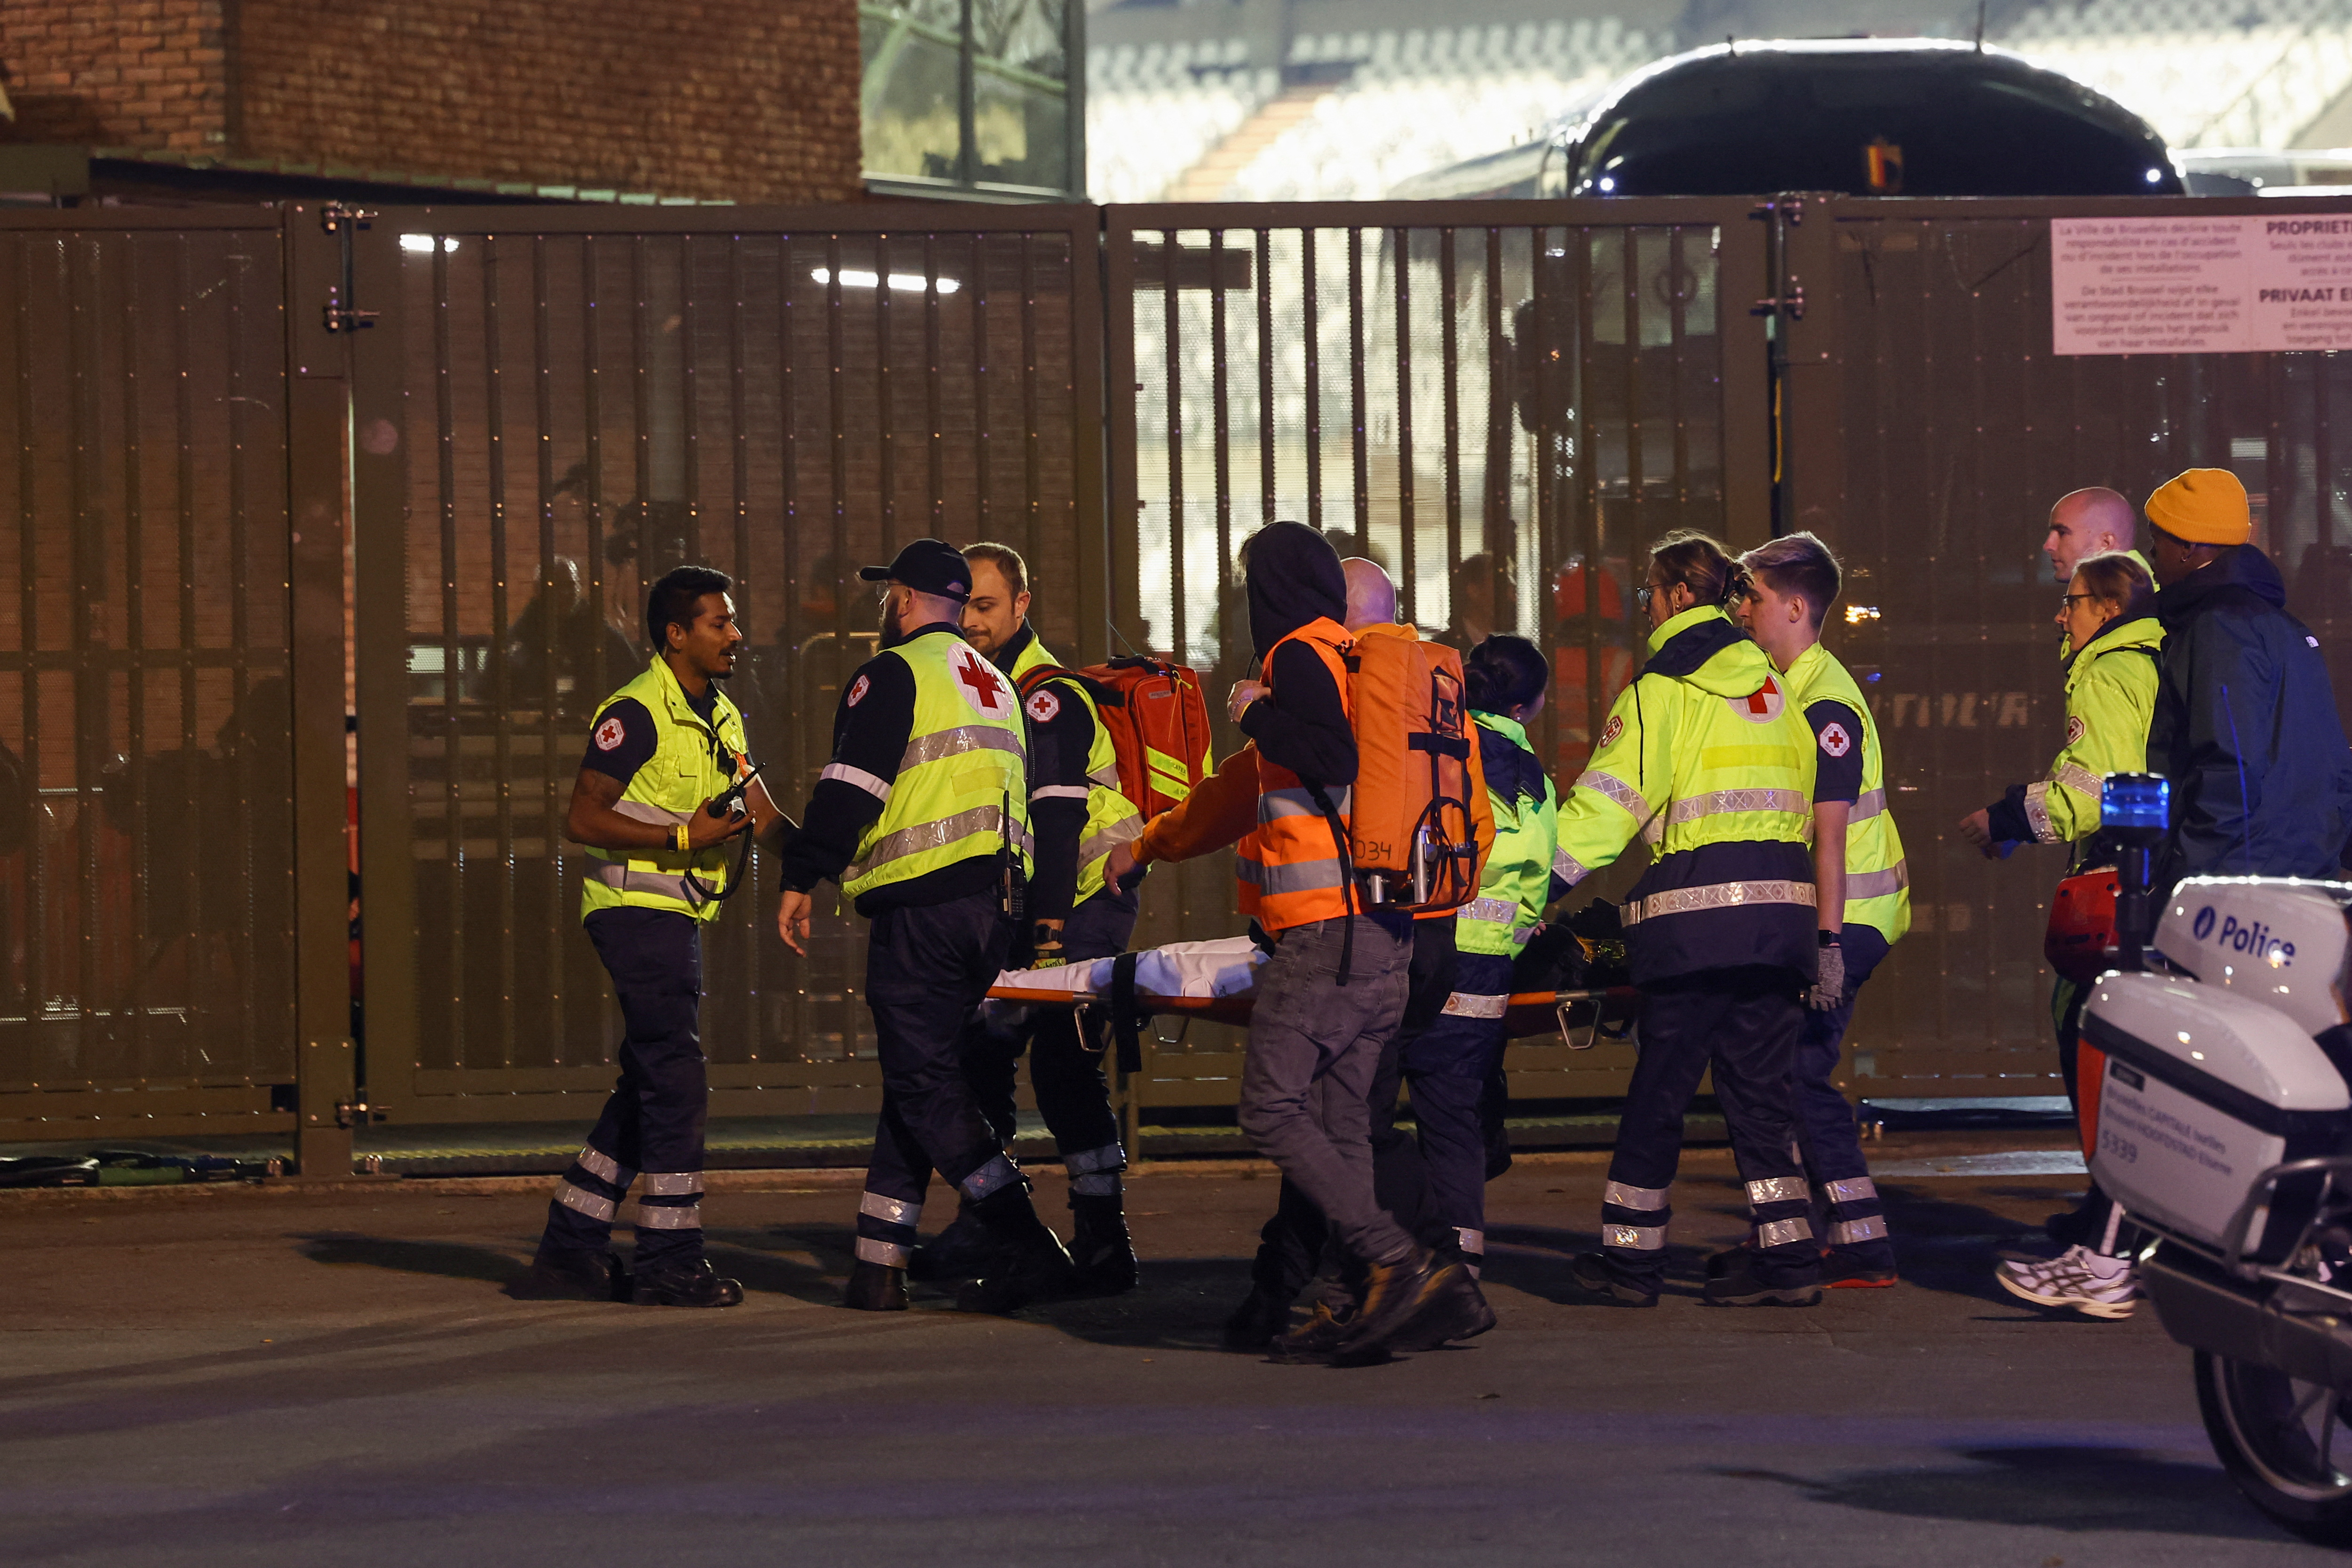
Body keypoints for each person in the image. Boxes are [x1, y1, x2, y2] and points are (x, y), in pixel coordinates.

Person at [1124, 522, 1484, 1361]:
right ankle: (1372, 1294)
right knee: (1344, 1122)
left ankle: (1402, 1262)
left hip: (1327, 933)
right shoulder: (1376, 667)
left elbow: (1330, 755)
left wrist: (1257, 711)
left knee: (1271, 1106)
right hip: (1389, 928)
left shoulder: (1296, 656)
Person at [775, 538, 1073, 1315]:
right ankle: (879, 1266)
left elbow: (853, 788)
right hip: (994, 910)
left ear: (903, 600)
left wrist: (802, 873)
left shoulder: (895, 673)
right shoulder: (997, 687)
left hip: (925, 912)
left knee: (921, 1080)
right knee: (920, 1083)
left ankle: (1025, 1238)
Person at [1557, 530, 1823, 1309]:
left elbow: (1608, 809)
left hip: (1695, 921)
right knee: (1761, 1096)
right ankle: (1793, 1259)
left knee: (1661, 1092)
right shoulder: (1777, 693)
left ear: (1675, 596)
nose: (1645, 610)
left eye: (1647, 594)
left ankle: (1632, 1263)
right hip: (1782, 924)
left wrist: (1535, 888)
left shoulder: (1661, 688)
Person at [512, 565, 783, 1309]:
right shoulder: (633, 712)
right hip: (635, 907)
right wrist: (683, 835)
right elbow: (583, 817)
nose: (735, 635)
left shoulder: (723, 715)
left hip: (683, 912)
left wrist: (837, 858)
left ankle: (569, 1246)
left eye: (732, 622)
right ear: (676, 634)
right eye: (719, 623)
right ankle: (668, 1257)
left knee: (650, 1080)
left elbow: (761, 813)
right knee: (677, 1076)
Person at [913, 541, 1144, 1295]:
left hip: (1078, 899)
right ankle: (991, 1225)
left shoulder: (1044, 693)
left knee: (1063, 1060)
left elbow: (1055, 825)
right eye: (965, 606)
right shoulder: (984, 686)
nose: (973, 621)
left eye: (987, 606)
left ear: (1021, 606)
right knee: (980, 1055)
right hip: (1028, 907)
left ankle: (1104, 1238)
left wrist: (1047, 940)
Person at [1959, 550, 2161, 1318]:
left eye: (2071, 601)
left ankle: (2105, 1257)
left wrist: (2010, 816)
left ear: (2106, 609)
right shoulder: (2160, 659)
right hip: (2155, 886)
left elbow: (2090, 791)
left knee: (2096, 1054)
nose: (2059, 614)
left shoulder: (2107, 670)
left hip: (2118, 892)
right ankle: (2111, 1233)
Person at [1738, 532, 1909, 1289]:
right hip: (1846, 914)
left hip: (1852, 915)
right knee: (1789, 1070)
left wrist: (1828, 944)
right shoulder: (1798, 688)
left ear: (1797, 608)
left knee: (1793, 1072)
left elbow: (1830, 838)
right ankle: (1840, 1236)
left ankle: (1857, 1243)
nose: (1743, 611)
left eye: (1755, 598)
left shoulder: (1824, 701)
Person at [1400, 634, 1564, 1285]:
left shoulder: (1439, 749)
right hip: (1488, 969)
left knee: (1366, 1107)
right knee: (1455, 1115)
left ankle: (1376, 1250)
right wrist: (1511, 937)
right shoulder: (1536, 781)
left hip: (1421, 950)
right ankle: (1461, 1259)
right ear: (1528, 706)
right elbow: (1537, 884)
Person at [2138, 468, 2352, 894]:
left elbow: (2228, 765)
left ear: (2188, 545)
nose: (2150, 553)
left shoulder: (2219, 628)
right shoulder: (2282, 626)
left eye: (2157, 538)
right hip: (2299, 873)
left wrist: (2183, 879)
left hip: (2237, 888)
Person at [2043, 487, 2146, 585]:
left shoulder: (2141, 600)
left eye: (2062, 533)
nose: (2048, 546)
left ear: (2106, 543)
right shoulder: (2135, 591)